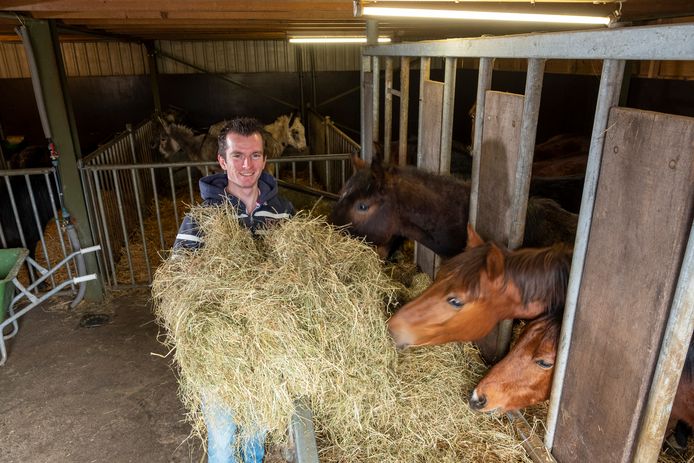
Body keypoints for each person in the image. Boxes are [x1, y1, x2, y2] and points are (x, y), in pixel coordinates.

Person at [173, 116, 295, 462]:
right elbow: (177, 278)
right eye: (238, 156)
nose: (247, 165)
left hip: (266, 347)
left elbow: (301, 271)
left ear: (265, 160)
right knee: (225, 441)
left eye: (255, 155)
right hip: (220, 352)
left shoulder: (283, 212)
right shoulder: (201, 218)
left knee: (255, 439)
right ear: (222, 161)